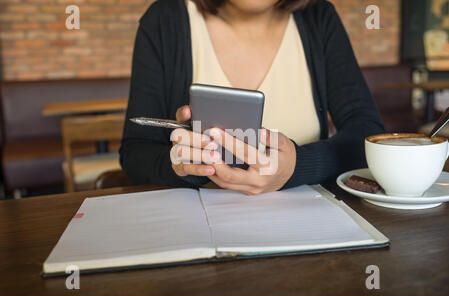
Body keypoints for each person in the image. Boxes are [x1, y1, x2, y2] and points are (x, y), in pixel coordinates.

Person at [120, 0, 385, 195]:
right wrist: (181, 165)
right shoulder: (164, 20)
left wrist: (298, 165)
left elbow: (368, 134)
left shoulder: (319, 18)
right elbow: (135, 154)